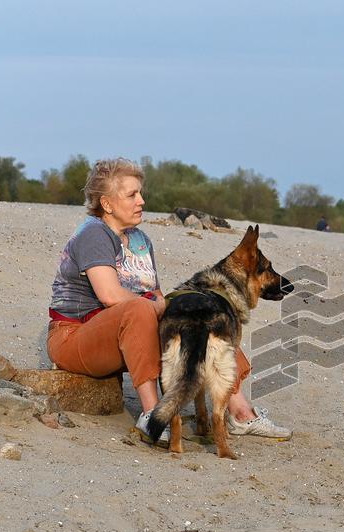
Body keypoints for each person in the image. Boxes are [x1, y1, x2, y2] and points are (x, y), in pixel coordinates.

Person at [47, 158, 291, 443]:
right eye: (132, 195)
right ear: (107, 204)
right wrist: (155, 306)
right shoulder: (94, 234)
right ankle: (153, 414)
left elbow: (157, 295)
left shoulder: (140, 240)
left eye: (140, 193)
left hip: (128, 336)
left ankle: (240, 413)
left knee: (204, 312)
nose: (141, 200)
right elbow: (110, 295)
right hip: (75, 336)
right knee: (138, 308)